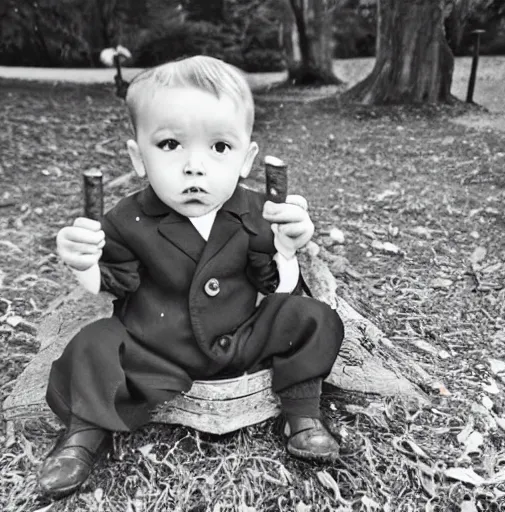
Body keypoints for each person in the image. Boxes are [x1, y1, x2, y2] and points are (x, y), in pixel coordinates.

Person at [37, 55, 345, 498]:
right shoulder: (126, 220)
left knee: (311, 316)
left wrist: (286, 249)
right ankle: (84, 433)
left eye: (219, 147)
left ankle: (303, 412)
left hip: (241, 339)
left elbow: (273, 287)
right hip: (156, 349)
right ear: (138, 156)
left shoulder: (260, 212)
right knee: (94, 343)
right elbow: (113, 282)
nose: (194, 167)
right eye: (169, 145)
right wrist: (84, 262)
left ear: (246, 158)